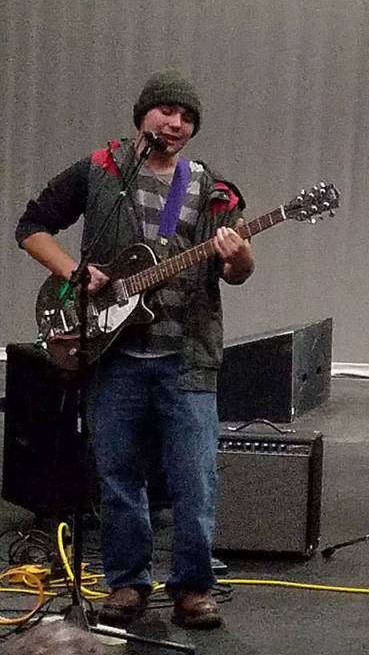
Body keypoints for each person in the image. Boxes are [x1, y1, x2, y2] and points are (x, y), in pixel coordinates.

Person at [15, 70, 255, 629]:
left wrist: (237, 252)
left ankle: (193, 588)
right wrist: (76, 273)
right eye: (166, 111)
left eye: (186, 117)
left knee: (194, 480)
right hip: (111, 355)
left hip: (186, 357)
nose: (175, 123)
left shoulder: (208, 186)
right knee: (117, 476)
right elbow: (32, 226)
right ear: (143, 114)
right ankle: (126, 585)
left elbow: (237, 272)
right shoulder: (102, 171)